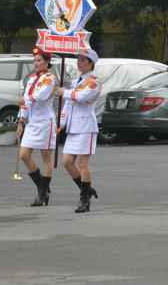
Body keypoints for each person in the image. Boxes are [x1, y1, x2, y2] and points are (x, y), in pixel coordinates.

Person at [56, 49, 102, 213]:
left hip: (86, 127)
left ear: (91, 63)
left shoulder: (94, 81)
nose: (79, 62)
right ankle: (87, 190)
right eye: (78, 59)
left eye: (83, 60)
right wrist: (61, 122)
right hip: (73, 127)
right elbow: (68, 104)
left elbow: (82, 97)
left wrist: (66, 92)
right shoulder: (76, 81)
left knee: (83, 163)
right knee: (67, 162)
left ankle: (83, 199)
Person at [16, 48, 58, 206]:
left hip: (45, 121)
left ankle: (42, 192)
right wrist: (21, 122)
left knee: (46, 157)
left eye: (39, 60)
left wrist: (24, 99)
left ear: (47, 62)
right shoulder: (32, 78)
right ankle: (43, 188)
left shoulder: (49, 78)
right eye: (34, 60)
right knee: (24, 155)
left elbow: (39, 96)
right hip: (32, 122)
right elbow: (26, 104)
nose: (36, 63)